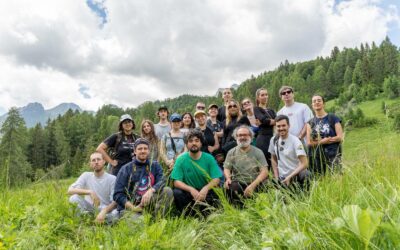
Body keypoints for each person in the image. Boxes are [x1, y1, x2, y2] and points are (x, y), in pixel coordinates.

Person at [113, 138, 173, 217]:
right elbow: (117, 194)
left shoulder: (155, 165)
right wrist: (133, 208)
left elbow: (162, 180)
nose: (143, 151)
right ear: (135, 151)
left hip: (148, 202)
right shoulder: (125, 169)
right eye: (140, 149)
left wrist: (151, 190)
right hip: (130, 206)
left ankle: (157, 219)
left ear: (148, 151)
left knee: (167, 191)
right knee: (140, 224)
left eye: (145, 148)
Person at [170, 129, 222, 216]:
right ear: (186, 144)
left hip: (206, 192)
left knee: (217, 189)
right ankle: (188, 215)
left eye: (197, 141)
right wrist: (191, 189)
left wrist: (205, 188)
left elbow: (216, 179)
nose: (194, 143)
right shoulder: (181, 159)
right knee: (177, 192)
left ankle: (209, 213)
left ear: (201, 143)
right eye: (190, 141)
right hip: (189, 193)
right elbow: (176, 182)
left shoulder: (209, 158)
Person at [224, 126, 268, 206]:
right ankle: (238, 210)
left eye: (245, 135)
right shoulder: (231, 152)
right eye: (240, 135)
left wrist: (252, 186)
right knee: (229, 186)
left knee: (267, 184)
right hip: (238, 182)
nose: (242, 137)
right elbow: (227, 168)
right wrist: (228, 178)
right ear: (236, 137)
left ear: (251, 137)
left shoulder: (258, 152)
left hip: (255, 182)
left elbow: (264, 171)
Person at [68, 152, 117, 224]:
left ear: (104, 162)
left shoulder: (112, 179)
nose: (96, 162)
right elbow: (70, 190)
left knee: (115, 214)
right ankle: (82, 223)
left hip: (106, 210)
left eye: (98, 159)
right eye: (93, 160)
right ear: (90, 164)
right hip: (90, 208)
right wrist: (90, 192)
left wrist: (104, 212)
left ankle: (92, 220)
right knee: (73, 198)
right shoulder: (86, 175)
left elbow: (114, 202)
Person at [268, 115, 310, 188]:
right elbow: (273, 159)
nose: (281, 128)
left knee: (306, 174)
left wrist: (290, 177)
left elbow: (305, 163)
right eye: (278, 126)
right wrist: (276, 176)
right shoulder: (273, 140)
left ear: (289, 126)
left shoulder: (295, 141)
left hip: (295, 175)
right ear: (275, 127)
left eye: (284, 125)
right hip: (282, 178)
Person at [306, 95, 343, 174]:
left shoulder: (333, 117)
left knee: (337, 176)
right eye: (314, 101)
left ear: (323, 103)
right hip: (317, 157)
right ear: (312, 105)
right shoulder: (310, 123)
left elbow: (340, 137)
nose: (317, 102)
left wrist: (320, 141)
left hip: (333, 154)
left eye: (319, 100)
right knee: (319, 178)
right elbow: (309, 143)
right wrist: (323, 141)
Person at [254, 88, 276, 168]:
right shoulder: (256, 109)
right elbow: (263, 120)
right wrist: (269, 121)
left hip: (273, 137)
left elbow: (277, 120)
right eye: (262, 95)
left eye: (266, 94)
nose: (265, 96)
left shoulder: (271, 110)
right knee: (264, 162)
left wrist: (267, 121)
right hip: (263, 138)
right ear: (258, 97)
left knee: (274, 161)